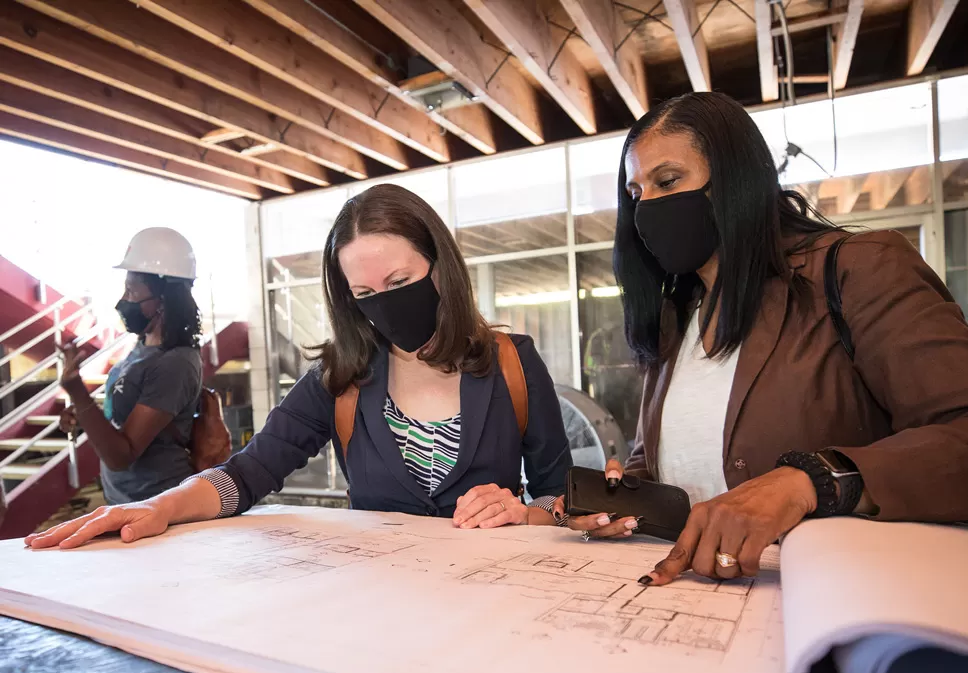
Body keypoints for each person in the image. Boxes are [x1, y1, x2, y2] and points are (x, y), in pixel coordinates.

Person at [561, 92, 968, 586]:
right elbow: (662, 461)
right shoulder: (676, 319)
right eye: (635, 195)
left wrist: (815, 480)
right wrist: (623, 501)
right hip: (709, 614)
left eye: (668, 181)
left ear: (734, 179)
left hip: (852, 604)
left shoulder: (857, 269)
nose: (647, 208)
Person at [29, 186, 571, 550]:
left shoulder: (511, 363)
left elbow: (562, 496)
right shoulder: (340, 377)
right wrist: (161, 507)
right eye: (364, 293)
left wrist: (528, 513)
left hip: (496, 610)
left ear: (441, 267)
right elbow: (244, 476)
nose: (384, 305)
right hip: (386, 610)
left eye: (400, 283)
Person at [57, 228, 204, 505]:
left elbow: (120, 455)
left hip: (160, 508)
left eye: (132, 290)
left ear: (163, 298)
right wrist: (83, 415)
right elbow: (119, 423)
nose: (122, 300)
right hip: (125, 501)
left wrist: (77, 391)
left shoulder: (176, 363)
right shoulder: (141, 347)